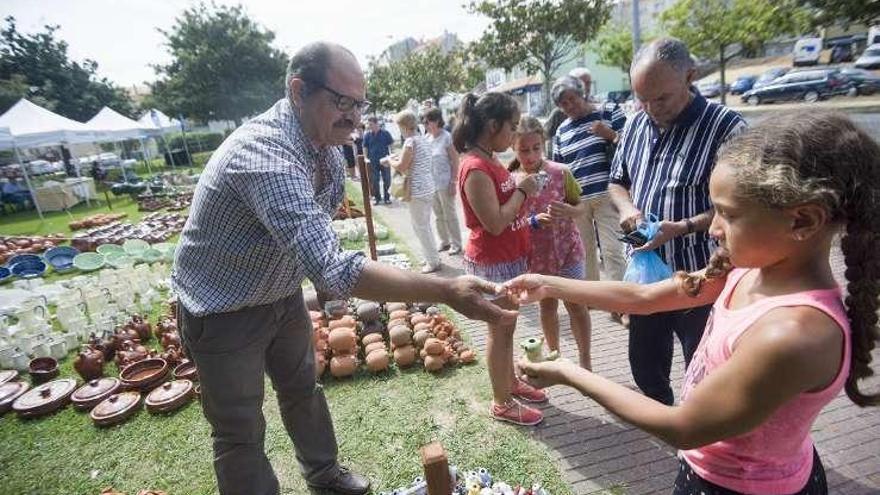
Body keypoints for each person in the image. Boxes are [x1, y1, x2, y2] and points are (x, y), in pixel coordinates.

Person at [171, 42, 516, 495]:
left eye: (360, 104)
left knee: (303, 391)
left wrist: (319, 283)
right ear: (299, 91)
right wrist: (446, 291)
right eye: (342, 102)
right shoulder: (264, 156)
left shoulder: (328, 148)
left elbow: (319, 243)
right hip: (223, 308)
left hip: (279, 294)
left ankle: (324, 475)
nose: (354, 117)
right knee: (239, 430)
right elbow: (335, 268)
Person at [506, 110, 880, 495]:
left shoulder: (794, 333)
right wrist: (549, 284)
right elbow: (646, 297)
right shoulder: (751, 268)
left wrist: (570, 373)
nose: (714, 228)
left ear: (803, 221)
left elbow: (684, 427)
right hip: (717, 469)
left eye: (728, 214)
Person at [607, 38, 746, 405]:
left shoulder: (727, 128)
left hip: (703, 276)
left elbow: (740, 209)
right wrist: (626, 210)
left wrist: (681, 227)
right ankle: (664, 416)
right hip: (647, 274)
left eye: (661, 98)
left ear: (690, 76)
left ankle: (700, 433)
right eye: (643, 99)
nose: (651, 108)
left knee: (704, 368)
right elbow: (617, 182)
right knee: (645, 366)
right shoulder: (636, 124)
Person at [454, 92, 548, 426]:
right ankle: (502, 402)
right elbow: (494, 223)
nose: (514, 134)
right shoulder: (476, 167)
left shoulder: (489, 159)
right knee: (500, 330)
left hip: (508, 259)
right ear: (492, 126)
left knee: (507, 329)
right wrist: (522, 190)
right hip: (494, 262)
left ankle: (509, 383)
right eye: (511, 126)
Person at [509, 115, 591, 369]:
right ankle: (555, 357)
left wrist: (569, 211)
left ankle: (585, 360)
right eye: (524, 150)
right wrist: (532, 221)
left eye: (536, 148)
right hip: (537, 257)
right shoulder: (511, 180)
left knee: (577, 305)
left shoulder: (560, 172)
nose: (531, 155)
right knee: (547, 306)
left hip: (569, 251)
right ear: (513, 147)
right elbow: (508, 223)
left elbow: (582, 207)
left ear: (543, 144)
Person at [551, 75, 628, 318]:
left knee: (613, 249)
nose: (569, 107)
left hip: (608, 194)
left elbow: (634, 146)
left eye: (572, 99)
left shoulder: (609, 111)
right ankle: (593, 298)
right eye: (563, 104)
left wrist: (611, 135)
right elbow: (558, 168)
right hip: (578, 201)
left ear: (582, 93)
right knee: (584, 253)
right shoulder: (561, 131)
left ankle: (622, 305)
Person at [387, 110, 441, 273]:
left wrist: (390, 161)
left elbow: (402, 166)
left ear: (404, 126)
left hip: (417, 189)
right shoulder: (423, 140)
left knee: (420, 226)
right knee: (425, 225)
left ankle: (432, 261)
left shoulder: (410, 142)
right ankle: (432, 256)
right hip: (427, 186)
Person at [424, 108, 463, 256]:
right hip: (432, 182)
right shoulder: (427, 138)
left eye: (428, 121)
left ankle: (456, 243)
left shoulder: (447, 138)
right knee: (438, 214)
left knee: (449, 214)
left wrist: (453, 181)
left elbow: (455, 160)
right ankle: (444, 241)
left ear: (437, 121)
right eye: (425, 122)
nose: (426, 125)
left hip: (445, 182)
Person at [363, 116, 394, 204]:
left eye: (371, 124)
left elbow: (391, 144)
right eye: (368, 124)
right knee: (375, 180)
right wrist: (365, 157)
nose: (369, 126)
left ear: (376, 124)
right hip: (373, 161)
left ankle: (387, 198)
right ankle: (377, 198)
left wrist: (392, 155)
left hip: (385, 160)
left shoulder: (385, 133)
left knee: (387, 179)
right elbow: (365, 147)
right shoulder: (367, 135)